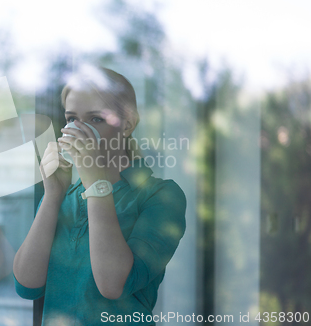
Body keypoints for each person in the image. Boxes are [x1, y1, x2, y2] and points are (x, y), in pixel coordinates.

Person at [13, 64, 187, 326]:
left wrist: (96, 183)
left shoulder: (161, 195)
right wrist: (52, 196)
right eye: (72, 119)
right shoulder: (64, 196)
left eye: (96, 119)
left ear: (126, 125)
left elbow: (113, 285)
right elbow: (27, 285)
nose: (78, 129)